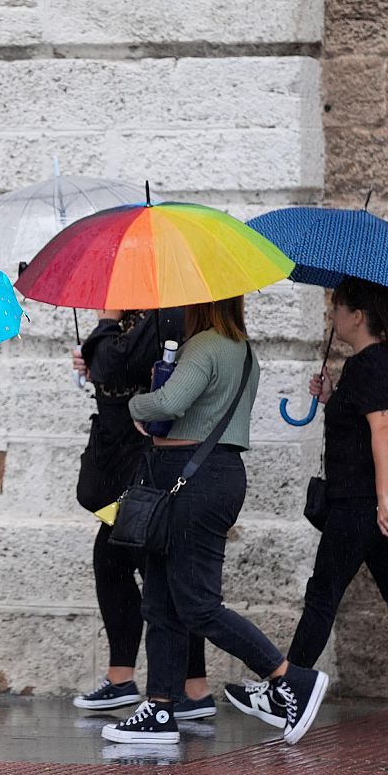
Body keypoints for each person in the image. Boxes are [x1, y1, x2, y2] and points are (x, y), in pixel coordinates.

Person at [226, 278, 388, 734]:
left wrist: (382, 498)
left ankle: (285, 690)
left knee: (323, 595)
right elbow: (364, 422)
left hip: (361, 504)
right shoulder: (378, 365)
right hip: (373, 504)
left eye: (337, 308)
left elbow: (384, 430)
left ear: (357, 316)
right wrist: (332, 397)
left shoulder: (370, 366)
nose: (333, 315)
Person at [105, 297, 330, 746]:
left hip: (193, 478)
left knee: (197, 604)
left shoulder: (206, 346)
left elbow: (169, 402)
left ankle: (290, 679)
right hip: (208, 476)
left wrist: (136, 403)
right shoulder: (243, 350)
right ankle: (161, 707)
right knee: (161, 601)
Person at [71, 309, 216, 721]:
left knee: (159, 572)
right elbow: (109, 364)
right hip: (120, 463)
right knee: (113, 562)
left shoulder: (163, 314)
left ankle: (191, 688)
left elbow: (115, 363)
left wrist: (102, 331)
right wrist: (94, 351)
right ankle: (127, 680)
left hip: (143, 465)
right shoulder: (135, 323)